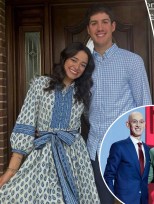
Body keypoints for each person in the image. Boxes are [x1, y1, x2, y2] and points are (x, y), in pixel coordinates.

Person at [0, 42, 100, 203]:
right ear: (65, 59)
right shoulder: (41, 84)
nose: (77, 67)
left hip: (75, 156)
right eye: (74, 60)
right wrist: (11, 170)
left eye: (83, 64)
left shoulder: (83, 92)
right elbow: (26, 122)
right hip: (44, 153)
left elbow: (96, 119)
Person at [84, 4, 152, 202]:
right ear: (88, 29)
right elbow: (85, 110)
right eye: (94, 23)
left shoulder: (132, 62)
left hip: (127, 148)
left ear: (113, 26)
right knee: (102, 200)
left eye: (104, 22)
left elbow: (144, 106)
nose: (100, 28)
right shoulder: (84, 66)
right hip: (96, 148)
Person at [104, 112, 150, 204]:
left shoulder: (148, 149)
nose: (138, 125)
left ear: (145, 125)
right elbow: (108, 176)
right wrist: (114, 200)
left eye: (141, 122)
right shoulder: (118, 147)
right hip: (124, 200)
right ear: (128, 124)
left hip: (143, 200)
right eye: (134, 122)